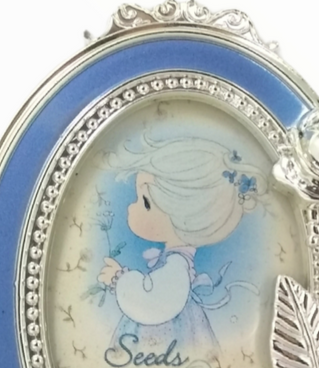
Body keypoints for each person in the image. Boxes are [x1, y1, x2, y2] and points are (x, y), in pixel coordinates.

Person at [98, 135, 262, 355]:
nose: (131, 207)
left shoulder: (176, 265)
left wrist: (119, 280)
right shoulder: (174, 262)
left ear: (185, 218)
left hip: (165, 341)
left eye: (145, 202)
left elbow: (152, 303)